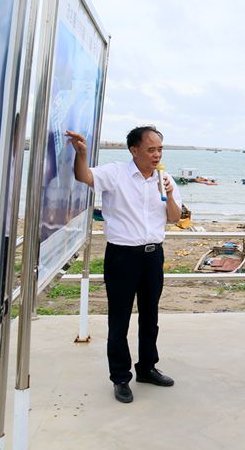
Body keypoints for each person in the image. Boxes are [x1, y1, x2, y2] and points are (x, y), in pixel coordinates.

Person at [66, 126, 182, 404]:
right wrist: (81, 154)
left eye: (160, 149)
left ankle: (147, 368)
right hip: (122, 256)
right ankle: (120, 377)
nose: (157, 155)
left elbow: (175, 217)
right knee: (119, 319)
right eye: (151, 149)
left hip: (153, 256)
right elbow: (84, 176)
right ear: (134, 150)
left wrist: (168, 193)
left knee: (150, 316)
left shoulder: (165, 178)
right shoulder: (116, 173)